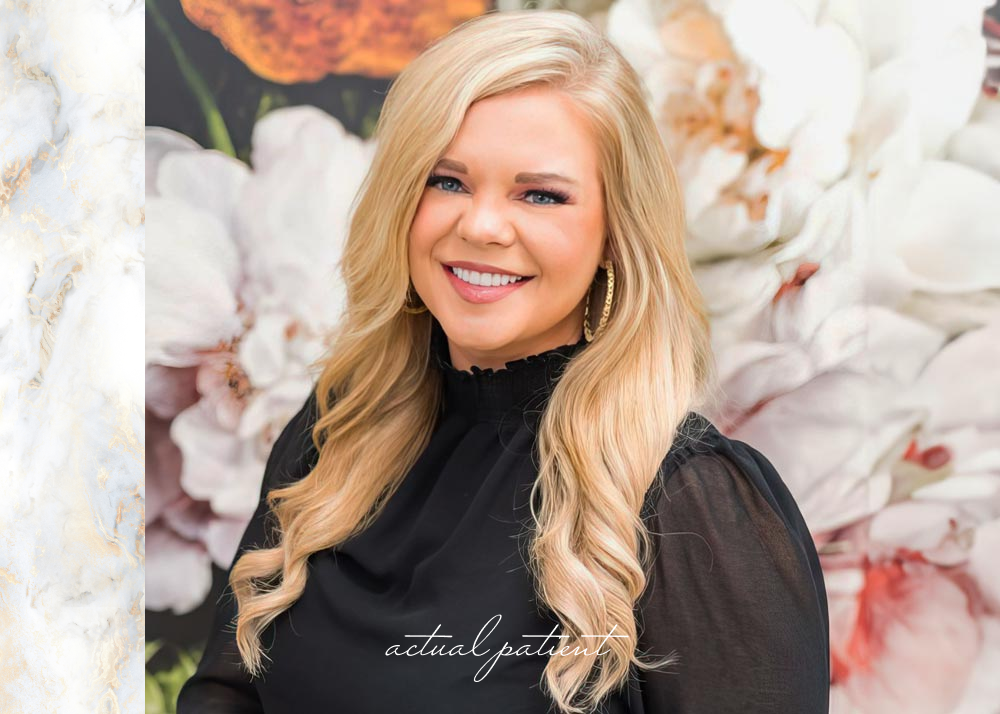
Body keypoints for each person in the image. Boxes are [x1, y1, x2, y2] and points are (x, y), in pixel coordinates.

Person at [176, 9, 830, 713]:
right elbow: (228, 692)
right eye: (446, 180)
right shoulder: (336, 432)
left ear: (616, 233)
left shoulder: (690, 502)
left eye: (541, 194)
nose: (481, 226)